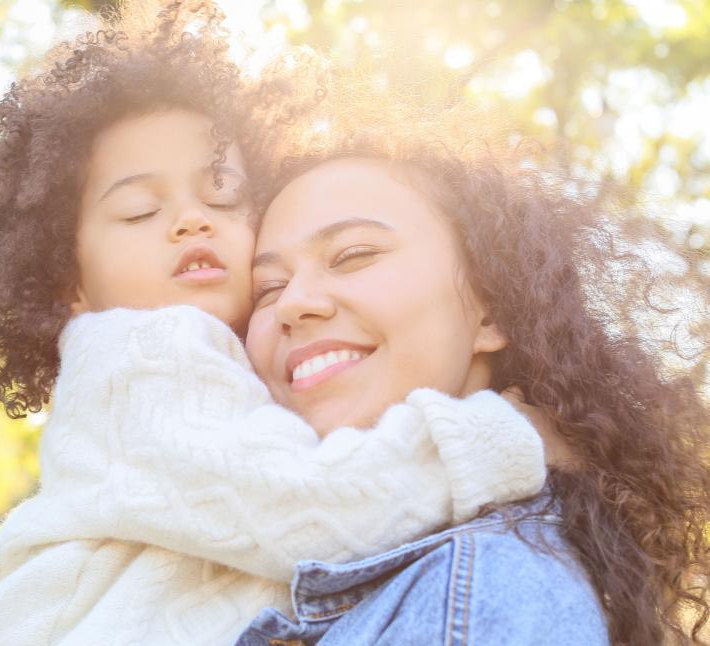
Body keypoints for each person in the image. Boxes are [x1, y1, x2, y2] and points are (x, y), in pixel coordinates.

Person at [0, 3, 551, 644]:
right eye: (140, 211)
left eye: (222, 195)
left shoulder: (226, 369)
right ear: (69, 284)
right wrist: (502, 438)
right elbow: (311, 509)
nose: (193, 219)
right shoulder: (144, 357)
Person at [234, 73, 710, 644]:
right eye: (267, 287)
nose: (294, 303)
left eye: (353, 255)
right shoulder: (255, 562)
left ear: (490, 312)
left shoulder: (490, 589)